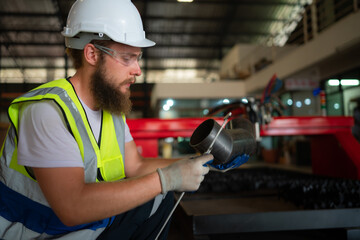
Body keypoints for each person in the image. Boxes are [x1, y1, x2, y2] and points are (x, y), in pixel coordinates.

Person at [0, 0, 213, 239]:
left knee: (158, 197)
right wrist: (169, 178)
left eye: (138, 57)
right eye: (127, 58)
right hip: (40, 233)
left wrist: (199, 164)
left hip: (90, 230)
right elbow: (72, 207)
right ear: (92, 53)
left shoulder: (111, 112)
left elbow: (136, 167)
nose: (138, 70)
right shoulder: (47, 112)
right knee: (159, 189)